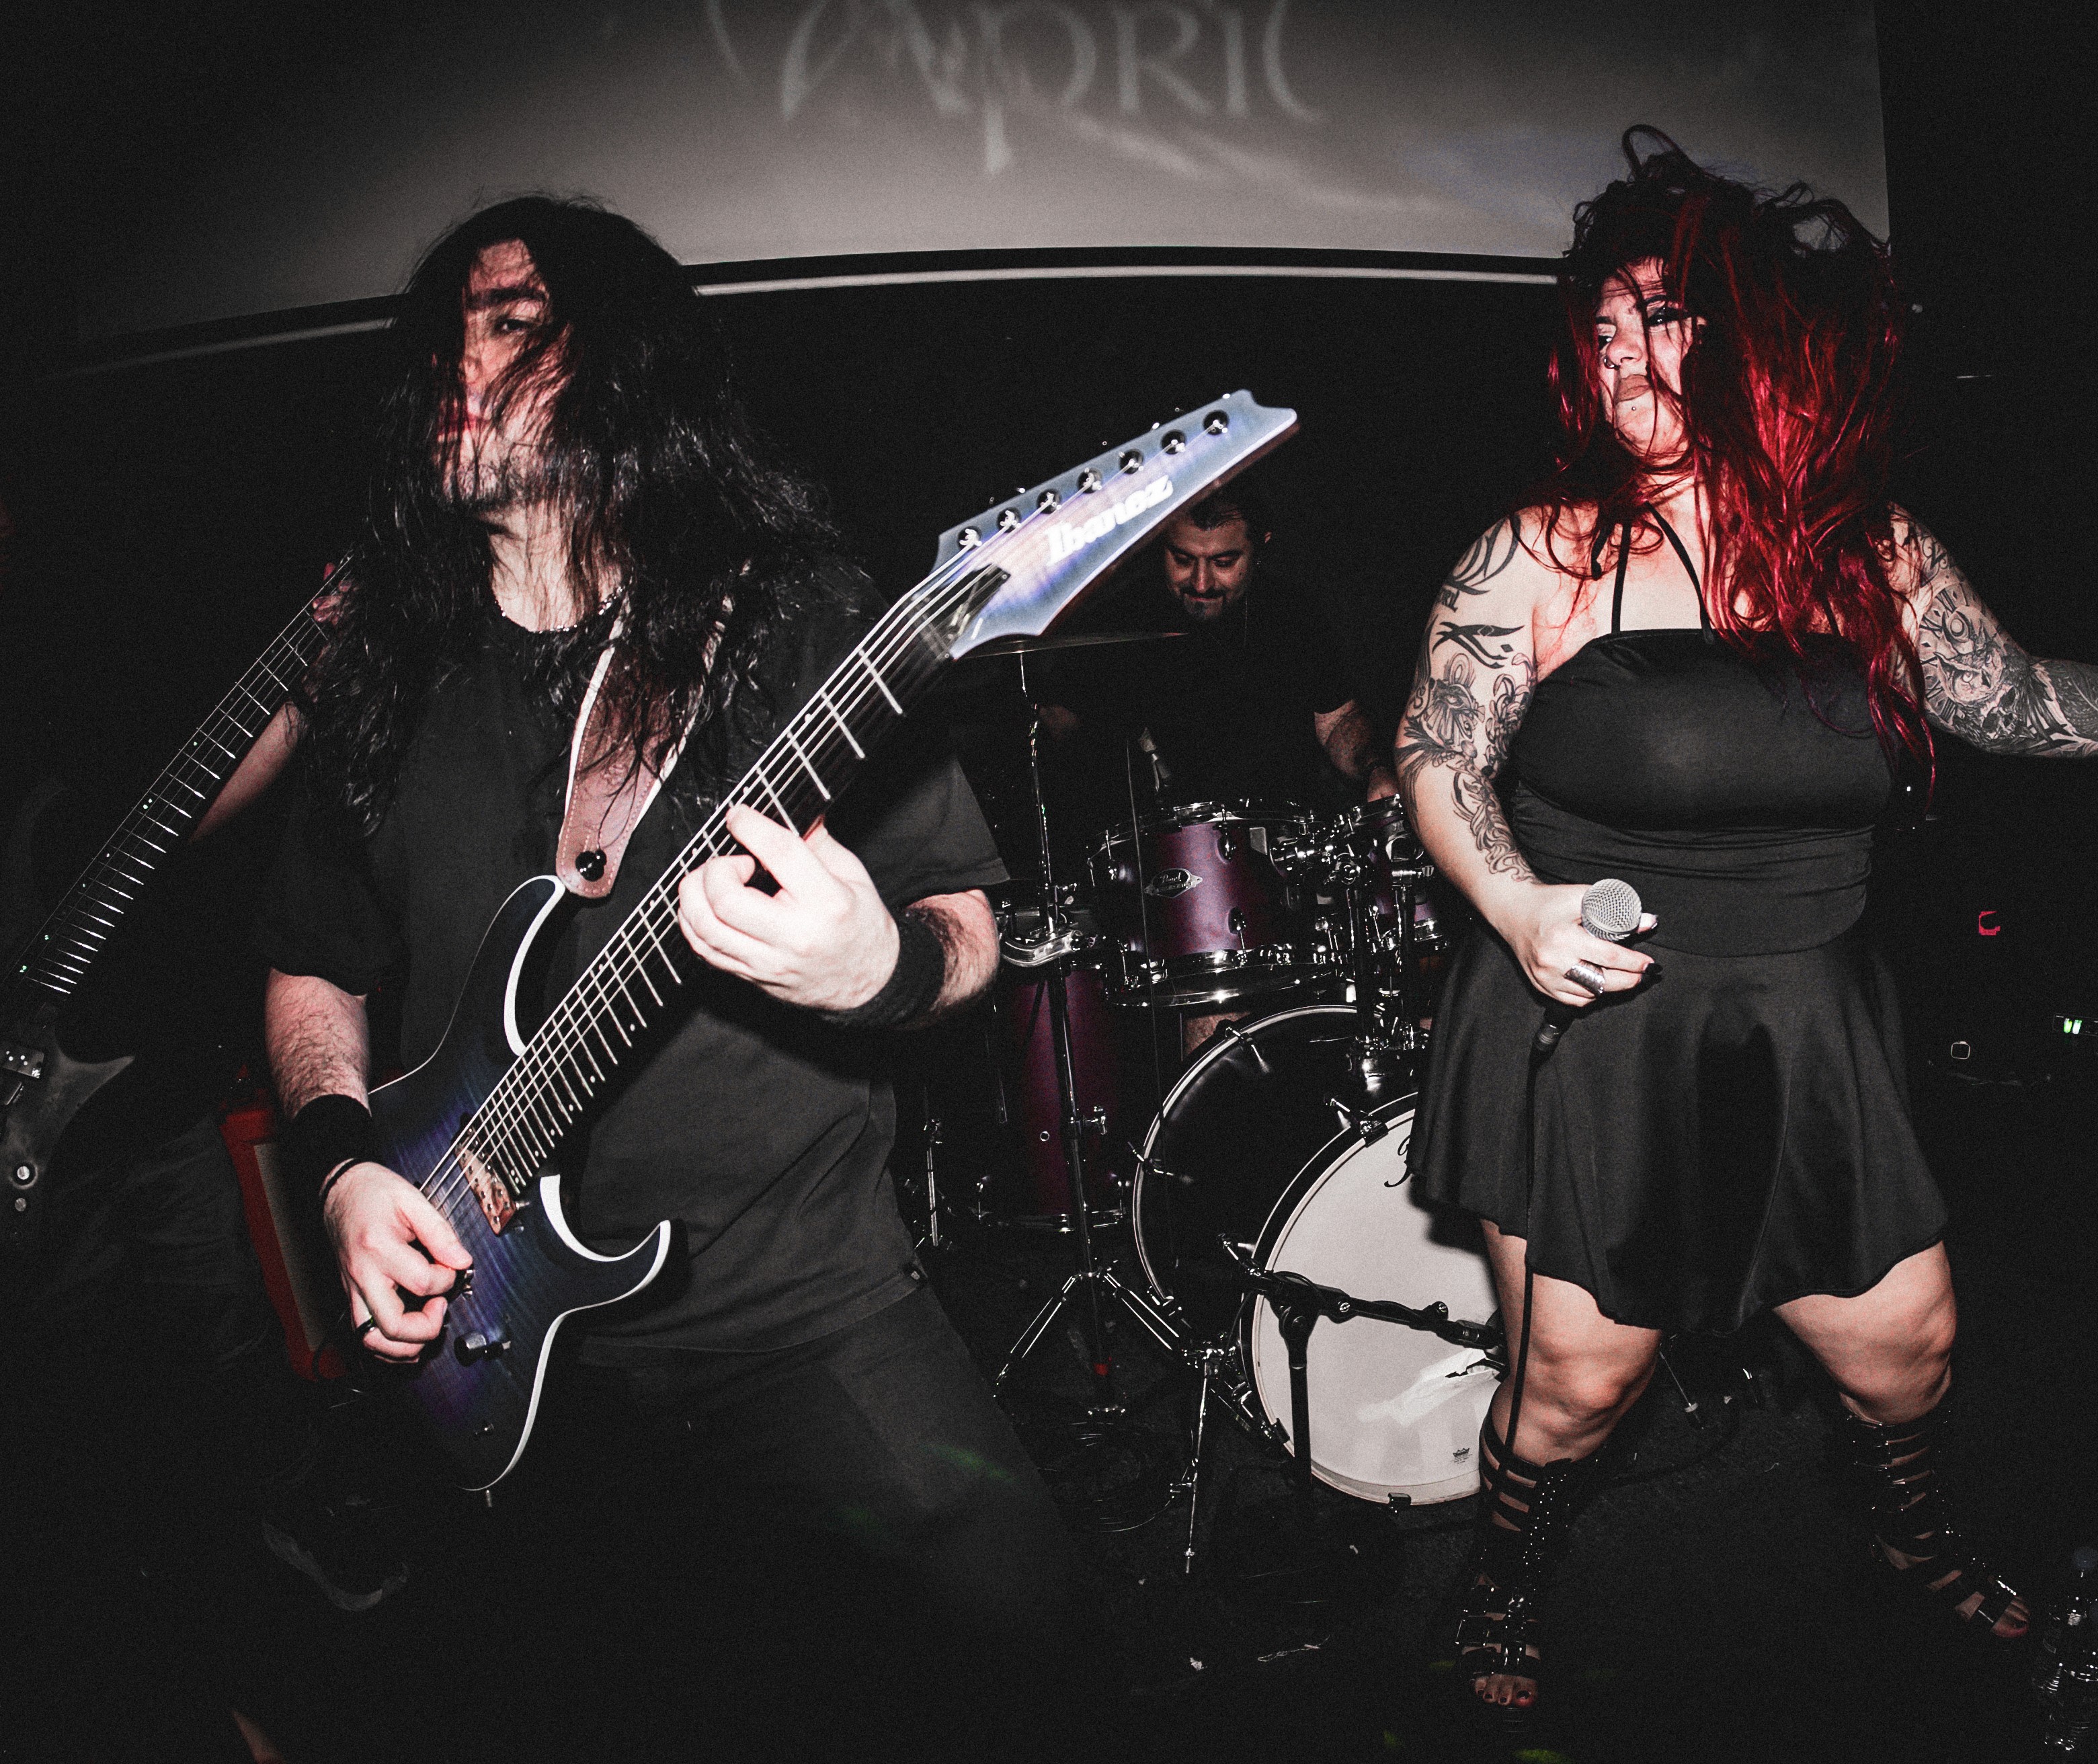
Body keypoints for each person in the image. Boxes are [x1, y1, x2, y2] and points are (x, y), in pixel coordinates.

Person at [1398, 130, 2098, 1721]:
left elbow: (2010, 697)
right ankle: (1502, 1573)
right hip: (1596, 1015)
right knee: (1579, 1384)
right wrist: (1511, 899)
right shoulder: (1542, 553)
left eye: (1659, 319)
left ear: (1751, 337)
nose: (1622, 357)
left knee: (1910, 1351)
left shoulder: (1870, 550)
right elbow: (1436, 750)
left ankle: (1905, 1528)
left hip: (1803, 1013)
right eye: (1603, 330)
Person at [255, 198, 1079, 1757]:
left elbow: (964, 919)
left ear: (622, 365)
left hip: (797, 1301)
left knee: (1017, 1636)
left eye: (509, 323)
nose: (459, 363)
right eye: (444, 335)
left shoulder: (787, 625)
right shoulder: (382, 673)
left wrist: (880, 969)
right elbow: (312, 967)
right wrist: (349, 1170)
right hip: (504, 1342)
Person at [1042, 479, 1396, 810]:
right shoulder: (1119, 619)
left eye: (1223, 562)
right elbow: (1059, 724)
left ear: (1260, 547)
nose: (1201, 583)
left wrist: (1376, 770)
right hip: (1160, 840)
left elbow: (1336, 723)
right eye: (1182, 559)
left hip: (1284, 828)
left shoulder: (1291, 613)